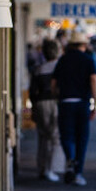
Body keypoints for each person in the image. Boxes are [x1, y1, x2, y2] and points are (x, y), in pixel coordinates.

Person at [52, 31, 96, 185]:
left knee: (66, 136)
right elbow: (94, 81)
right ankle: (78, 172)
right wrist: (95, 104)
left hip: (65, 102)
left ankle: (70, 158)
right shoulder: (88, 60)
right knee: (82, 138)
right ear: (84, 45)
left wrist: (57, 96)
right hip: (82, 103)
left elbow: (53, 83)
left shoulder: (63, 59)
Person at [28, 39, 61, 182]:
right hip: (54, 102)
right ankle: (51, 168)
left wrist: (34, 108)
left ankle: (41, 167)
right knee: (54, 136)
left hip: (40, 103)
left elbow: (32, 92)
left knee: (42, 136)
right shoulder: (59, 67)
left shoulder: (38, 69)